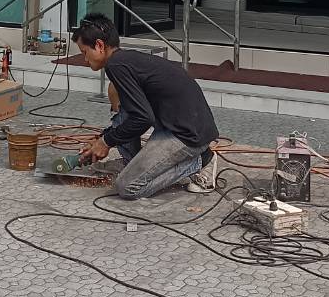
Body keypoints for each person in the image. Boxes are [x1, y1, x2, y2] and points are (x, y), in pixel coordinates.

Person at [72, 12, 219, 200]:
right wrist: (102, 139)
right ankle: (131, 163)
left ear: (99, 45)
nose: (85, 60)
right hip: (182, 125)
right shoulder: (124, 60)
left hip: (187, 135)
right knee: (123, 107)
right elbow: (132, 113)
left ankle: (201, 161)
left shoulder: (116, 65)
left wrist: (106, 142)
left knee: (128, 187)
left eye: (85, 52)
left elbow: (142, 118)